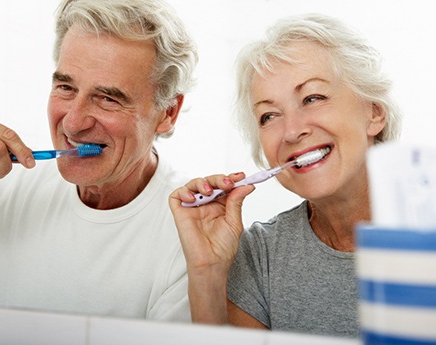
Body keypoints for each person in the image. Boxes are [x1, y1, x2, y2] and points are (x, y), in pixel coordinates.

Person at [169, 13, 401, 337]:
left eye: (312, 98)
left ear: (374, 112)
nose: (291, 131)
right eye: (269, 116)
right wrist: (207, 273)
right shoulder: (258, 254)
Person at [0, 0, 197, 321]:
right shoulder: (5, 185)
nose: (73, 123)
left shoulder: (191, 236)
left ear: (167, 112)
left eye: (108, 98)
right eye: (65, 86)